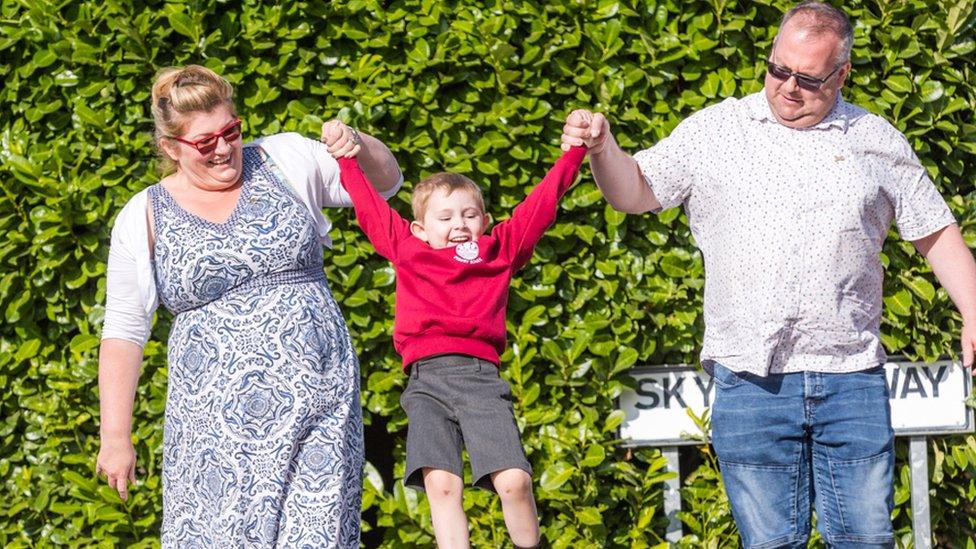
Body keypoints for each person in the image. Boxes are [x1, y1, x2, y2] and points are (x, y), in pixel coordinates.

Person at [562, 2, 976, 547]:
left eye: (808, 78)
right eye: (779, 69)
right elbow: (634, 192)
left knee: (867, 541)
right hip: (750, 379)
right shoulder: (716, 130)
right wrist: (602, 148)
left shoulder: (875, 138)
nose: (787, 87)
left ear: (842, 73)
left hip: (851, 376)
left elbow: (934, 230)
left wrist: (973, 311)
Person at [95, 64, 403, 547]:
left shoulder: (284, 158)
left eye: (231, 131)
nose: (223, 148)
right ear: (170, 148)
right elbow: (124, 330)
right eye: (204, 142)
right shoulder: (144, 213)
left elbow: (384, 183)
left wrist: (356, 142)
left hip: (317, 404)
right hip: (211, 429)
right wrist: (116, 437)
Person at [326, 118, 586, 548]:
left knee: (515, 482)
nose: (459, 224)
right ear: (420, 229)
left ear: (484, 220)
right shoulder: (409, 250)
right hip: (426, 382)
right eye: (445, 217)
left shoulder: (499, 250)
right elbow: (370, 209)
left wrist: (575, 152)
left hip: (480, 380)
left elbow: (541, 205)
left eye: (469, 214)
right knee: (442, 487)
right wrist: (345, 159)